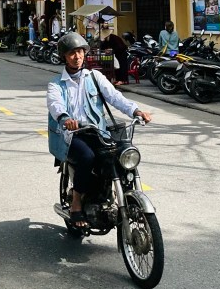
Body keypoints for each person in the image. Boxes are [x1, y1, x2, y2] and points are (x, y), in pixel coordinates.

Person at [46, 32, 152, 229]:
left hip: (97, 132)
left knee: (120, 155)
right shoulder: (56, 83)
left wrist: (136, 111)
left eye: (80, 52)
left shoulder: (95, 77)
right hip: (72, 135)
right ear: (64, 56)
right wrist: (65, 119)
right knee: (87, 157)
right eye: (71, 53)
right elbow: (55, 104)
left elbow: (115, 97)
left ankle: (118, 196)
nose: (77, 57)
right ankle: (76, 201)